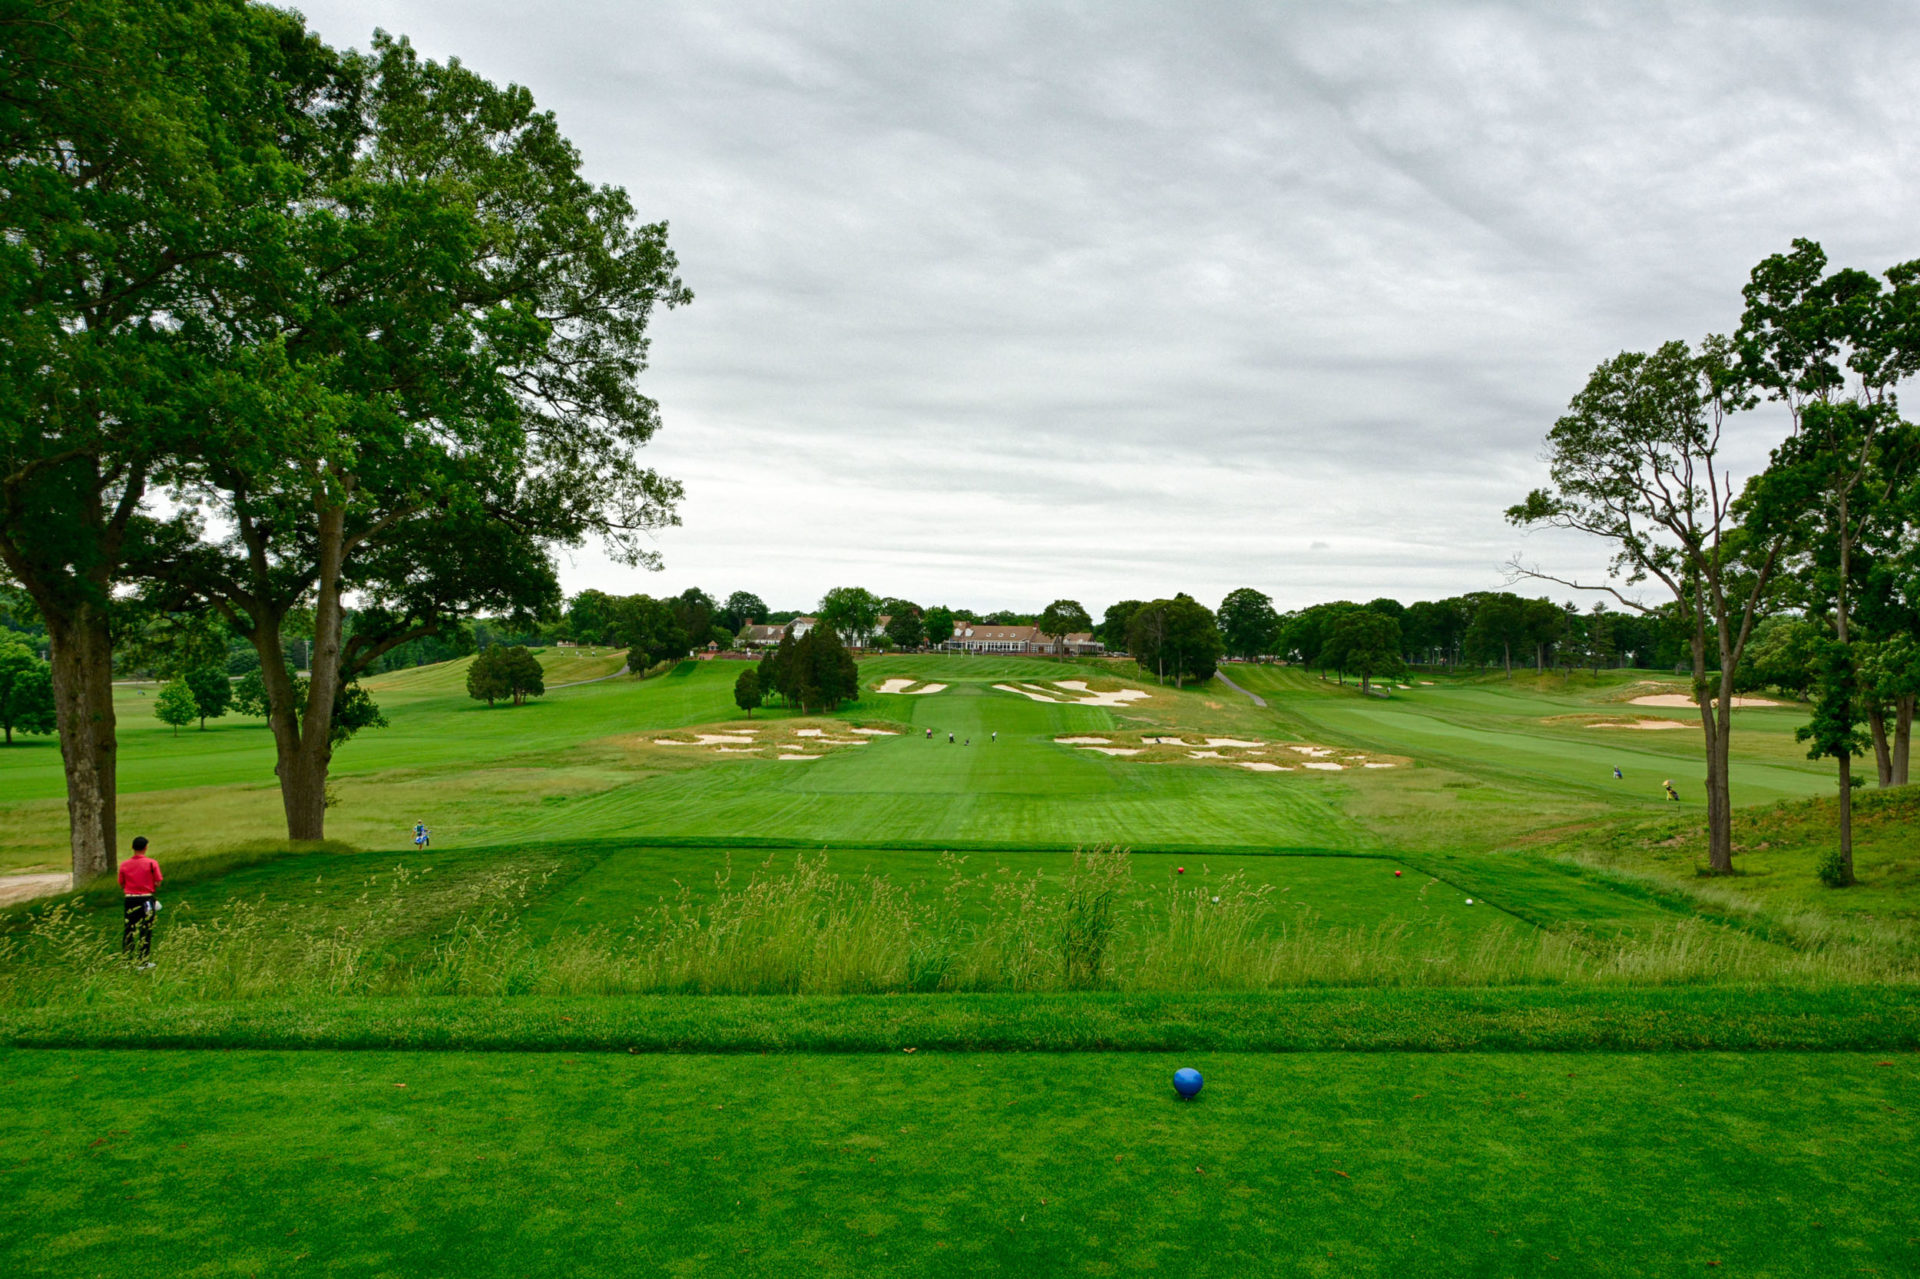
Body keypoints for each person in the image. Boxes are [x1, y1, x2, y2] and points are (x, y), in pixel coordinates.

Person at [118, 836, 163, 968]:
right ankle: (143, 960)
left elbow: (121, 883)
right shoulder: (151, 863)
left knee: (129, 928)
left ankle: (126, 960)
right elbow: (158, 882)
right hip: (146, 899)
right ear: (146, 848)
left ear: (133, 848)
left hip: (130, 899)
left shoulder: (124, 864)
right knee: (146, 928)